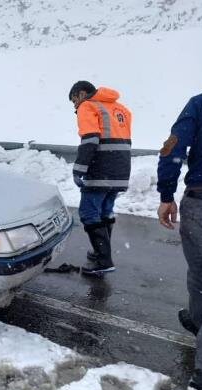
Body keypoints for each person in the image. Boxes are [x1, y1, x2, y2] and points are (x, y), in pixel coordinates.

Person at [156, 49, 202, 390]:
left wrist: (166, 195)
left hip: (201, 203)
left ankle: (199, 321)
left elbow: (172, 148)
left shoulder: (200, 103)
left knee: (200, 273)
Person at [68, 81, 132, 275]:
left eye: (74, 101)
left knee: (88, 212)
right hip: (120, 169)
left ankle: (103, 261)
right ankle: (101, 254)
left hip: (100, 168)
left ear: (81, 94)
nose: (75, 106)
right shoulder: (120, 108)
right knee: (105, 211)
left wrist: (79, 169)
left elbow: (90, 140)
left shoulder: (88, 106)